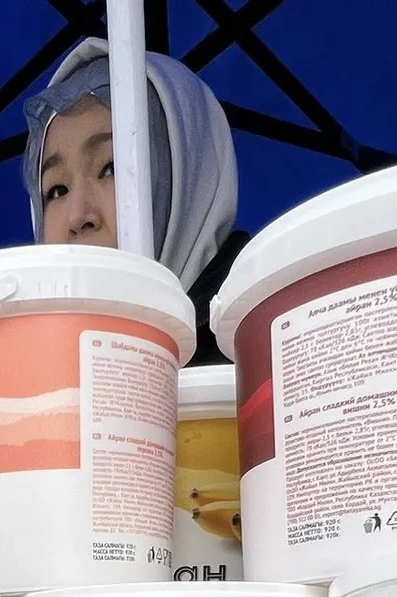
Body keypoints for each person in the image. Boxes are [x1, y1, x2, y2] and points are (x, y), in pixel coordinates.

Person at [22, 40, 246, 363]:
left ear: (188, 180)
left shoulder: (265, 357)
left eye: (111, 168)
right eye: (57, 190)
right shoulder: (34, 376)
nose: (78, 217)